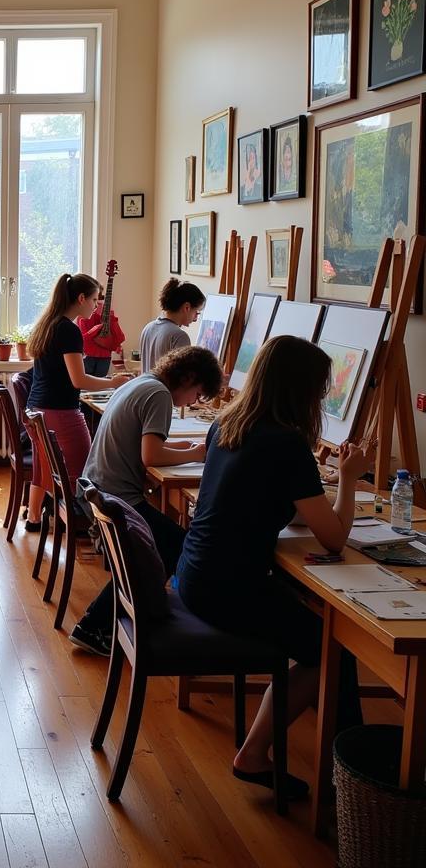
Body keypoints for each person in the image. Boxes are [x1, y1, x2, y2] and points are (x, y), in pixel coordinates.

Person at [176, 335, 370, 799]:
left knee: (317, 629)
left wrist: (316, 492)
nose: (321, 399)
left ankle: (346, 768)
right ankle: (276, 758)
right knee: (331, 649)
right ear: (300, 391)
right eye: (321, 390)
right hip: (228, 590)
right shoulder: (286, 444)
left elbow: (279, 503)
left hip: (196, 575)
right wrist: (346, 477)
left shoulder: (227, 426)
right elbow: (335, 536)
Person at [71, 345, 223, 655]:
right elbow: (151, 455)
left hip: (98, 490)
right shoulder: (160, 396)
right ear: (189, 378)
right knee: (175, 546)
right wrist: (195, 453)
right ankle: (97, 623)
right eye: (197, 393)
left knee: (161, 549)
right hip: (117, 500)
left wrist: (184, 446)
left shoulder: (143, 382)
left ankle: (139, 610)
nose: (193, 401)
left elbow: (150, 444)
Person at [23, 273, 132, 533]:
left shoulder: (49, 323)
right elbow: (78, 379)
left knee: (44, 464)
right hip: (58, 412)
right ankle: (90, 526)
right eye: (95, 299)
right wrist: (113, 383)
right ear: (81, 298)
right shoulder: (69, 330)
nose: (97, 306)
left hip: (36, 409)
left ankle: (34, 518)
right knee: (88, 469)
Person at [138, 278, 206, 372]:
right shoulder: (179, 336)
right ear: (187, 307)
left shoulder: (148, 327)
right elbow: (183, 378)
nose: (195, 319)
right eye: (196, 312)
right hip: (164, 387)